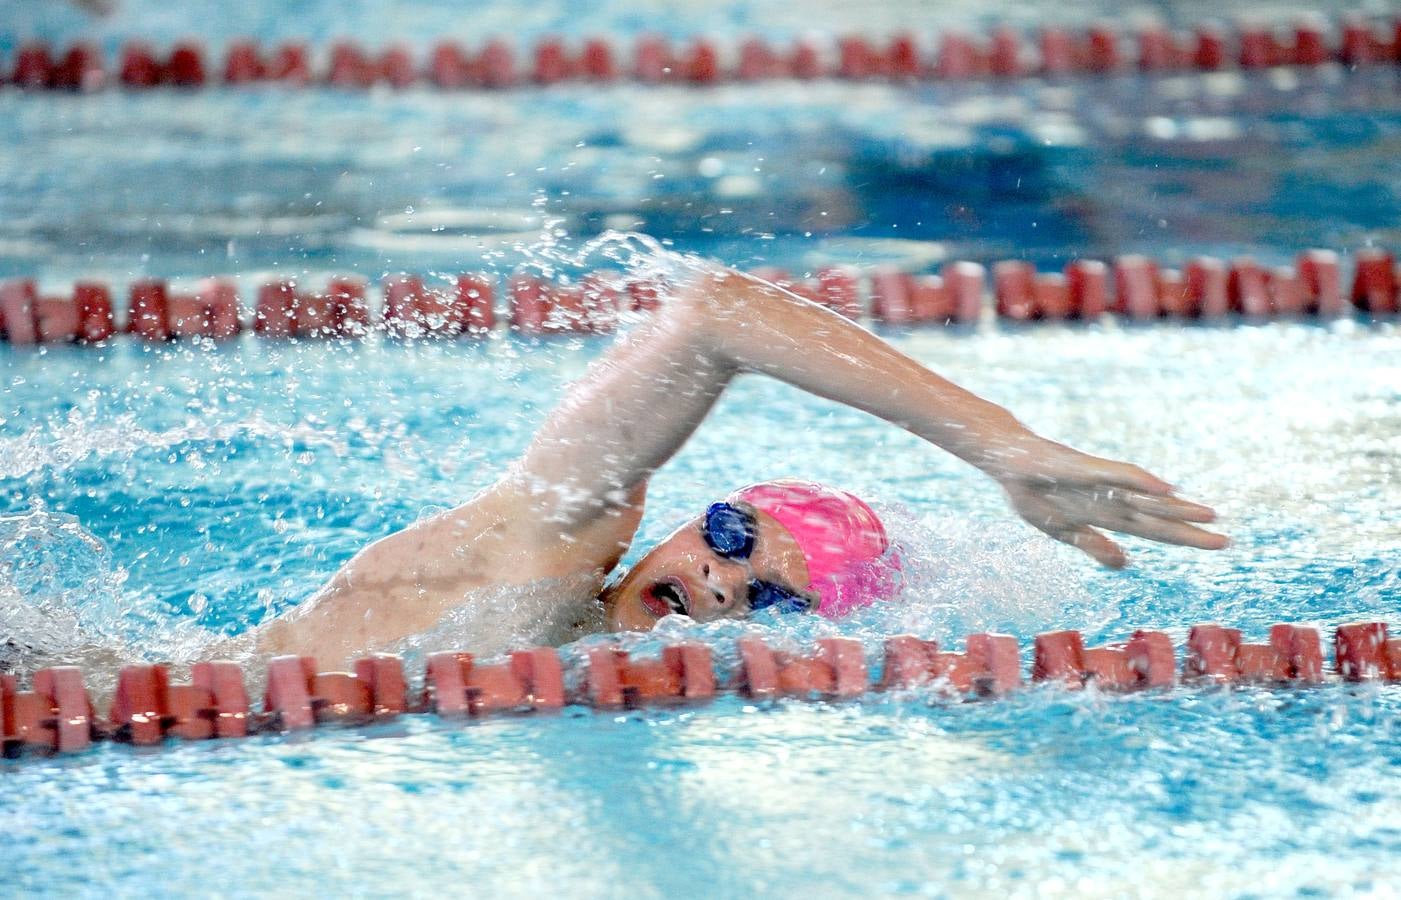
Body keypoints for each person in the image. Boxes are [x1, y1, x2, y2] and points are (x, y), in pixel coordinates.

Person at [247, 266, 1227, 670]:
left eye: (773, 604)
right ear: (689, 518)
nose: (722, 581)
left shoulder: (618, 683)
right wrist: (1000, 445)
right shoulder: (545, 541)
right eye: (730, 537)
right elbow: (715, 311)